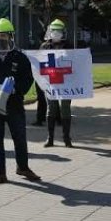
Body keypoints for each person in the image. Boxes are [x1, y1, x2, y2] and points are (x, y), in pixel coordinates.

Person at [0, 18, 41, 184]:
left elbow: (28, 78)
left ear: (11, 37)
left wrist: (16, 89)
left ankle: (23, 167)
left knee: (19, 136)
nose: (0, 38)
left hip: (14, 105)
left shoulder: (20, 57)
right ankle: (0, 173)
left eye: (4, 35)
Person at [40, 19, 73, 147]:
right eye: (54, 31)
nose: (56, 33)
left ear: (63, 32)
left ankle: (67, 138)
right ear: (50, 32)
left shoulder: (69, 46)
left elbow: (74, 63)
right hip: (51, 82)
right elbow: (39, 65)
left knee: (65, 109)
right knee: (51, 109)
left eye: (59, 31)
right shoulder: (44, 46)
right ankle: (50, 138)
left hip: (66, 83)